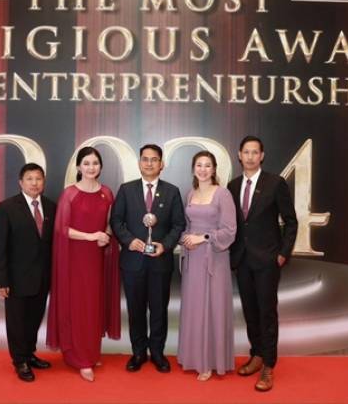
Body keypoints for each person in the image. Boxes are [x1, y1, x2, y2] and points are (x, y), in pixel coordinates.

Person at [227, 136, 298, 392]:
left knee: (267, 312)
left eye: (255, 152)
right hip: (242, 260)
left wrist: (283, 253)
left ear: (262, 156)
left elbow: (291, 221)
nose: (250, 157)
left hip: (267, 260)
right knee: (250, 311)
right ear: (239, 155)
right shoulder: (233, 186)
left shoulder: (275, 183)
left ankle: (268, 365)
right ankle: (256, 354)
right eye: (246, 152)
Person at [46, 147, 120, 382]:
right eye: (86, 163)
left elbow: (111, 222)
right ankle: (80, 359)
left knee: (93, 305)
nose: (91, 167)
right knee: (78, 307)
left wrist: (106, 234)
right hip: (75, 258)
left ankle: (91, 352)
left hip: (97, 258)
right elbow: (62, 229)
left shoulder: (107, 193)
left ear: (101, 166)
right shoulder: (69, 194)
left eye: (95, 163)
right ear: (78, 167)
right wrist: (91, 236)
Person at [110, 144, 186, 373]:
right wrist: (128, 240)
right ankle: (138, 352)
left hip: (160, 262)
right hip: (132, 262)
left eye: (154, 159)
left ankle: (158, 353)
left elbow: (178, 224)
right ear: (139, 163)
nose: (149, 163)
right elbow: (116, 221)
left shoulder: (172, 191)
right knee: (135, 310)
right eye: (145, 159)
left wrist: (166, 245)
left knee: (159, 309)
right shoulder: (126, 190)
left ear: (162, 164)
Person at [0, 163, 56, 382]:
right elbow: (0, 247)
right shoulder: (6, 207)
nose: (34, 183)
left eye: (38, 179)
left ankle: (29, 354)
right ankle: (20, 361)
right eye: (30, 179)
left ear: (43, 182)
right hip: (16, 278)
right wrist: (1, 281)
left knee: (34, 319)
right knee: (17, 322)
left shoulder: (51, 206)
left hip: (42, 277)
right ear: (21, 182)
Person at [178, 151, 237, 381]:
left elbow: (229, 231)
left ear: (214, 169)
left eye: (207, 165)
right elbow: (187, 226)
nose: (203, 169)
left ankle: (210, 362)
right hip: (193, 259)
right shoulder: (190, 193)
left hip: (215, 258)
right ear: (193, 168)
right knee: (195, 307)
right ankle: (194, 358)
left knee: (213, 307)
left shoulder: (223, 194)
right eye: (199, 165)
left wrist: (202, 238)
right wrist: (185, 238)